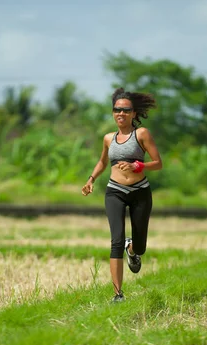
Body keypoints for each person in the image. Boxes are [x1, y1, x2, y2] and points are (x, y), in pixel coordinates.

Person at [82, 87, 163, 302]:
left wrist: (139, 166)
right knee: (115, 241)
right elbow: (102, 162)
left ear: (134, 113)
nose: (121, 114)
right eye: (117, 110)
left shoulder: (141, 134)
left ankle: (133, 247)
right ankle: (118, 294)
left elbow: (158, 163)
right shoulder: (108, 138)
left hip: (140, 192)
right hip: (115, 191)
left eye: (126, 110)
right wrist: (91, 179)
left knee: (141, 245)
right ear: (113, 112)